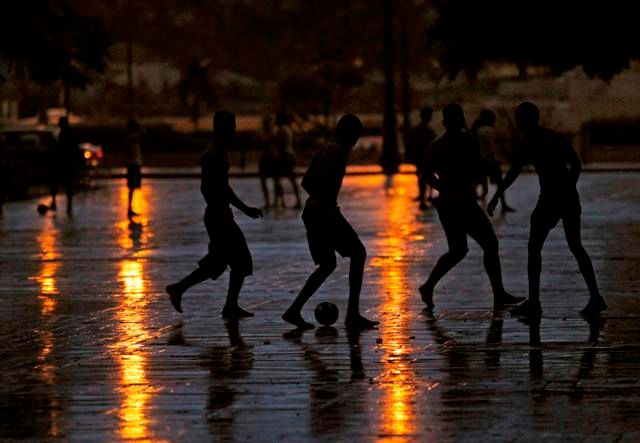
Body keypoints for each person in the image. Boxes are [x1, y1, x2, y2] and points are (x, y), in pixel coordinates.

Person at [488, 101, 607, 319]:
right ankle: (595, 296)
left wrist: (497, 195)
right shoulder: (555, 138)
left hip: (550, 200)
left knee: (534, 248)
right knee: (576, 246)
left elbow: (514, 171)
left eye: (519, 121)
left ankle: (534, 302)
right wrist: (569, 186)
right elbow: (576, 165)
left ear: (525, 121)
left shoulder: (528, 143)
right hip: (567, 197)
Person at [419, 103, 523, 311]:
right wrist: (454, 186)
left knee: (459, 250)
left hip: (452, 202)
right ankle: (498, 293)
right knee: (485, 245)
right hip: (460, 202)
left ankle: (429, 286)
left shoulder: (440, 144)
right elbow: (474, 167)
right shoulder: (460, 141)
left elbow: (428, 173)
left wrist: (447, 186)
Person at [282, 114, 379, 330]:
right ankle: (352, 315)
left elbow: (306, 183)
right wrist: (327, 206)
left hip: (313, 210)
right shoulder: (338, 154)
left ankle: (294, 310)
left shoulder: (325, 149)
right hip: (325, 213)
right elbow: (324, 187)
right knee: (358, 253)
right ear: (350, 136)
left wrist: (320, 201)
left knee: (327, 265)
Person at [166, 111, 263, 319]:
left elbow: (221, 187)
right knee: (241, 261)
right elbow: (213, 188)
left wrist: (237, 209)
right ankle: (228, 305)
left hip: (220, 214)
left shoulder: (218, 151)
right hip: (219, 217)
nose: (234, 132)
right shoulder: (214, 155)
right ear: (221, 129)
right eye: (231, 127)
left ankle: (180, 289)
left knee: (218, 262)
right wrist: (236, 210)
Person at [471, 109, 514, 212]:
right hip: (490, 160)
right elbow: (491, 147)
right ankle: (503, 204)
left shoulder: (476, 130)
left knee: (476, 182)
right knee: (499, 183)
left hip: (479, 160)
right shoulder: (489, 130)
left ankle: (476, 202)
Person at [406, 106, 437, 210]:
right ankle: (428, 196)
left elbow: (410, 144)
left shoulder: (417, 129)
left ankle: (423, 197)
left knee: (421, 177)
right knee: (428, 176)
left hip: (419, 157)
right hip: (426, 158)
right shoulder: (429, 130)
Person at [50, 116, 80, 215]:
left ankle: (55, 202)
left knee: (57, 182)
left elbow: (60, 149)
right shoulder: (69, 133)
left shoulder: (64, 134)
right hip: (67, 162)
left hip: (64, 162)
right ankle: (68, 205)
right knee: (67, 184)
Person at [274, 111, 302, 209]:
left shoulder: (281, 130)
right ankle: (298, 201)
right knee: (292, 179)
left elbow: (279, 144)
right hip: (290, 156)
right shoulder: (289, 129)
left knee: (277, 179)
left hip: (284, 156)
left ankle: (281, 202)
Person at [258, 114, 283, 208]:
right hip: (267, 157)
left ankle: (276, 201)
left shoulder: (274, 131)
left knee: (276, 180)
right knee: (264, 180)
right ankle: (268, 201)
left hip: (272, 157)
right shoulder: (264, 132)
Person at [125, 119, 144, 218]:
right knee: (132, 186)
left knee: (132, 187)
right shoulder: (133, 137)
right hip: (134, 163)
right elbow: (144, 133)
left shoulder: (130, 138)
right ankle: (129, 208)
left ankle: (130, 208)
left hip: (133, 163)